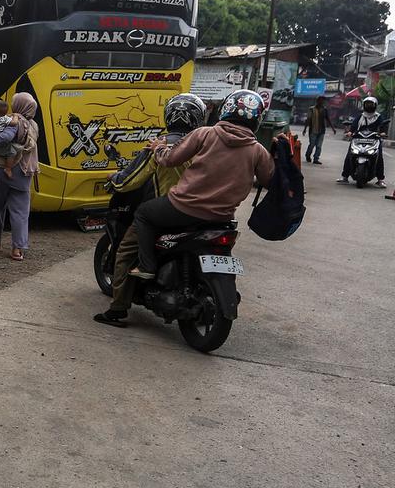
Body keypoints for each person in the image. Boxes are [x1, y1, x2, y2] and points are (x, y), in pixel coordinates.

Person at [129, 89, 274, 281]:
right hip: (222, 218)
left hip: (184, 208)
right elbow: (269, 181)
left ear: (226, 109)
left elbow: (170, 159)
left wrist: (159, 148)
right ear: (257, 119)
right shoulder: (258, 151)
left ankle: (147, 266)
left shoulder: (204, 134)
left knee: (143, 213)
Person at [93, 93, 206, 327]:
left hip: (169, 212)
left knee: (125, 250)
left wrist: (115, 179)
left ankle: (118, 308)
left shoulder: (159, 146)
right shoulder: (206, 146)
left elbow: (131, 180)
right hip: (206, 213)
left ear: (168, 116)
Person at [0, 93, 39, 261]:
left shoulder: (13, 120)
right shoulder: (33, 125)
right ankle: (17, 249)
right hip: (24, 171)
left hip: (2, 169)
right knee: (20, 211)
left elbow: (2, 138)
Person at [337, 96, 388, 188]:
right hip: (358, 138)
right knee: (349, 155)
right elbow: (353, 126)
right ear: (364, 105)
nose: (369, 106)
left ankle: (380, 179)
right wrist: (350, 132)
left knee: (379, 157)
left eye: (371, 104)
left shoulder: (378, 117)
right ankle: (345, 177)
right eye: (367, 104)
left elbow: (382, 126)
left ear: (375, 105)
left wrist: (383, 133)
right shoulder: (360, 116)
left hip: (374, 139)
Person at [302, 96, 336, 165]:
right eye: (321, 100)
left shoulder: (324, 109)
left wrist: (333, 128)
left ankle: (316, 158)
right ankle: (308, 155)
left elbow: (328, 119)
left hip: (322, 131)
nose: (322, 102)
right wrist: (305, 129)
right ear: (317, 101)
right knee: (312, 145)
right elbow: (308, 119)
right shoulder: (311, 109)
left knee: (319, 146)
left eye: (323, 101)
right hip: (313, 130)